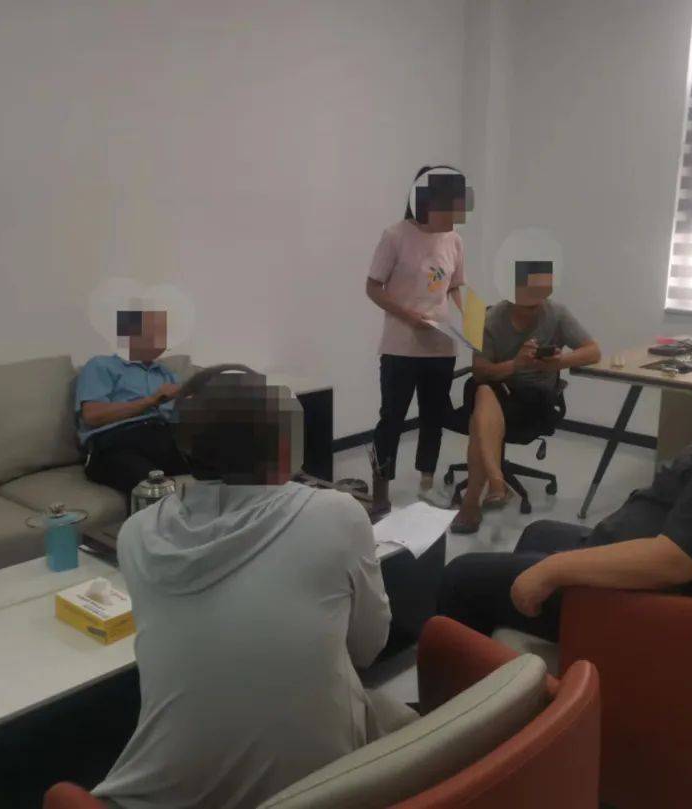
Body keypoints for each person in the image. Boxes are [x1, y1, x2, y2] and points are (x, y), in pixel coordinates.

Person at [94, 367, 413, 809]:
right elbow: (367, 648)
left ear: (184, 450)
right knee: (395, 714)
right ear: (284, 447)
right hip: (318, 789)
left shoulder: (136, 534)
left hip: (156, 795)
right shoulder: (337, 514)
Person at [438, 291, 692, 640]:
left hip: (635, 599)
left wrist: (553, 570)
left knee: (462, 576)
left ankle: (482, 692)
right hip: (638, 549)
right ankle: (522, 661)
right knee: (538, 531)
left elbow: (672, 561)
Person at [450, 260, 601, 533]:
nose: (536, 307)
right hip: (496, 388)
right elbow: (480, 370)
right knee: (483, 390)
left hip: (533, 400)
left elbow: (593, 351)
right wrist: (515, 365)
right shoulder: (490, 319)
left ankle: (476, 499)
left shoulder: (556, 313)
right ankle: (495, 482)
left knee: (479, 419)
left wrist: (559, 362)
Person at [366, 165, 473, 511]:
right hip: (401, 346)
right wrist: (409, 316)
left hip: (441, 346)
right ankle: (380, 488)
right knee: (392, 418)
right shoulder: (395, 236)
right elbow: (373, 287)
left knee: (433, 417)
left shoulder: (454, 239)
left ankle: (427, 483)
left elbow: (454, 286)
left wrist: (472, 318)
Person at [75, 308, 189, 496]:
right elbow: (92, 416)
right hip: (117, 442)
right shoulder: (101, 365)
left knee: (227, 460)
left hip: (166, 439)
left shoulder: (166, 374)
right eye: (154, 332)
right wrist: (152, 400)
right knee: (153, 490)